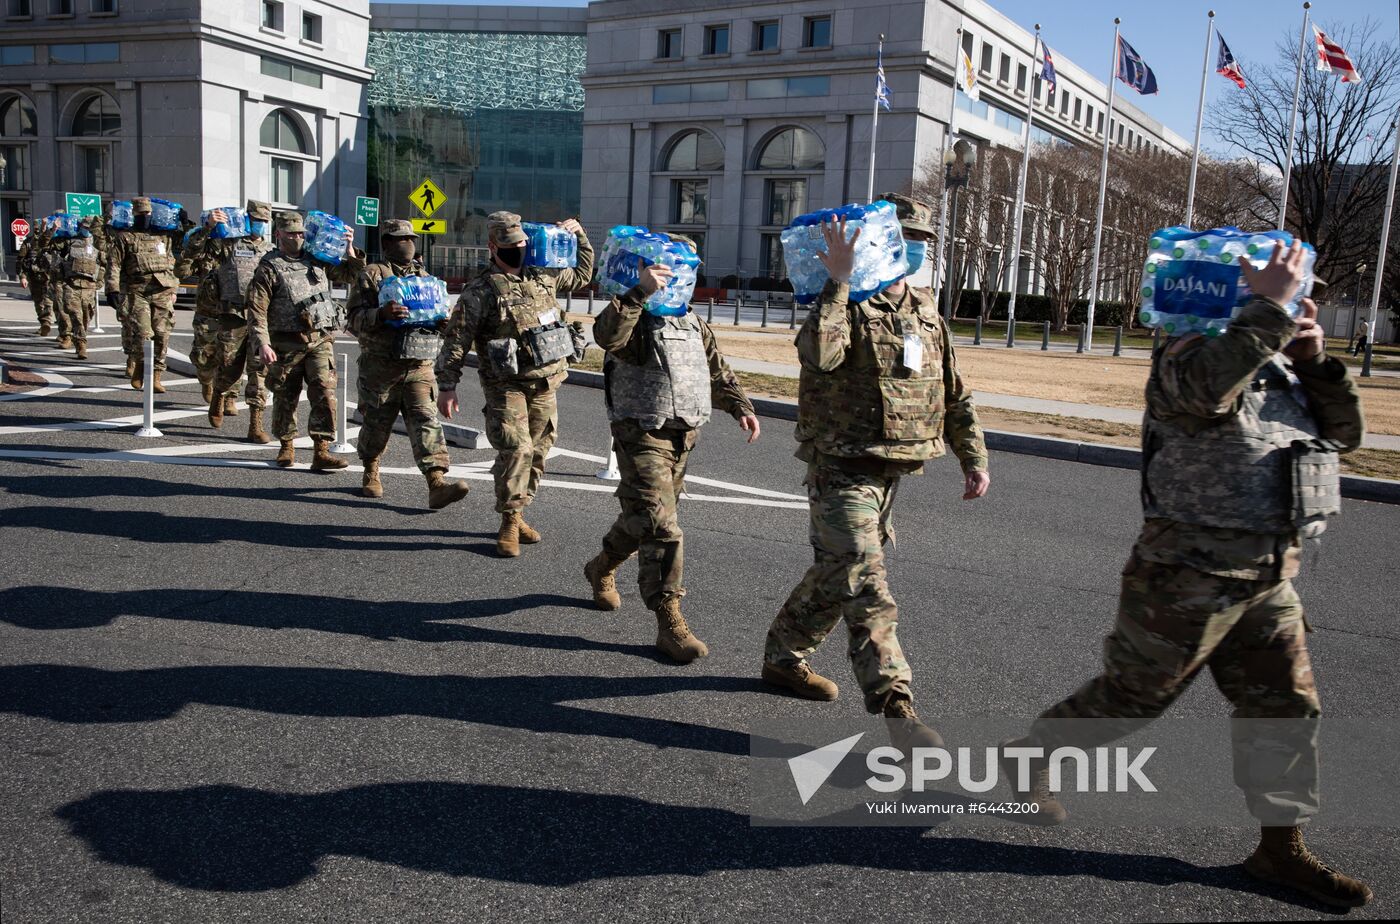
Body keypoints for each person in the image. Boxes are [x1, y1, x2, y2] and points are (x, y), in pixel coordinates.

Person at [1002, 241, 1370, 909]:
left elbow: (1344, 435)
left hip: (1266, 574)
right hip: (1186, 573)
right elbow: (1206, 390)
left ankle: (1279, 849)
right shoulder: (1184, 356)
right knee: (1134, 698)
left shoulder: (1277, 362)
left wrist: (1312, 358)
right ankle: (1032, 754)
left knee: (1285, 707)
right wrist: (1271, 309)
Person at [760, 193, 990, 754]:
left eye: (922, 241)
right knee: (864, 579)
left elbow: (952, 389)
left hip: (891, 471)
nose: (914, 249)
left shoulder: (925, 307)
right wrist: (839, 280)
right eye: (903, 238)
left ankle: (783, 656)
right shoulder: (845, 302)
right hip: (841, 469)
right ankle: (898, 710)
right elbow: (819, 355)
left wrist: (973, 454)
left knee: (838, 572)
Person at [583, 237, 760, 663]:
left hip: (683, 434)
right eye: (668, 268)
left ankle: (601, 566)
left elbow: (717, 369)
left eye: (684, 268)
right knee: (662, 526)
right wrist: (639, 291)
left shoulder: (693, 322)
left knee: (642, 517)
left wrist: (740, 405)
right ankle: (669, 621)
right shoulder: (634, 312)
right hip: (640, 431)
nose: (678, 276)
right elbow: (606, 336)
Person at [435, 211, 594, 557]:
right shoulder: (480, 290)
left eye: (521, 244)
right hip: (505, 385)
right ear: (493, 247)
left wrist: (580, 236)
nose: (516, 250)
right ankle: (509, 520)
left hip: (546, 381)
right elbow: (457, 339)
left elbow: (582, 273)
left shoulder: (544, 276)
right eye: (508, 245)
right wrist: (447, 384)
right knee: (516, 449)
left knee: (537, 453)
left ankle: (519, 509)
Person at [345, 219, 469, 509]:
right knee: (377, 424)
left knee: (426, 420)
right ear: (386, 243)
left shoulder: (425, 277)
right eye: (401, 239)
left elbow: (437, 315)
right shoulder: (371, 275)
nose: (408, 244)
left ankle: (436, 482)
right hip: (381, 367)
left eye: (411, 238)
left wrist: (442, 322)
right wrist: (381, 314)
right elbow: (352, 320)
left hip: (419, 365)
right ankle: (370, 469)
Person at [244, 211, 364, 470]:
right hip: (285, 343)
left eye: (300, 233)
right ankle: (286, 446)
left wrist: (349, 247)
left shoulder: (317, 258)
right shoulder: (269, 267)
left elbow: (351, 274)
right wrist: (262, 343)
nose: (297, 238)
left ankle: (321, 450)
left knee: (323, 391)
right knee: (286, 395)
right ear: (279, 235)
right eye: (291, 234)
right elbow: (256, 309)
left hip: (320, 339)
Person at [179, 202, 276, 442]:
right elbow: (193, 252)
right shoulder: (229, 244)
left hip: (261, 319)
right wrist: (208, 228)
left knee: (259, 371)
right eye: (256, 219)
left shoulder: (272, 250)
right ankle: (219, 394)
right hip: (232, 316)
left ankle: (256, 425)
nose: (260, 225)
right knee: (229, 365)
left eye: (265, 221)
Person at [105, 197, 184, 391]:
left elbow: (184, 242)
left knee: (162, 333)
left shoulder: (163, 236)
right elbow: (114, 264)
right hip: (136, 290)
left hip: (162, 289)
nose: (145, 217)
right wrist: (112, 289)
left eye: (148, 213)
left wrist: (184, 220)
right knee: (143, 333)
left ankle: (156, 375)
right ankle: (140, 363)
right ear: (134, 215)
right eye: (141, 214)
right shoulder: (125, 237)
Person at [50, 217, 104, 360]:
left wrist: (100, 281)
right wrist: (52, 230)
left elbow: (104, 263)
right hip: (71, 284)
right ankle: (81, 345)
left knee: (86, 317)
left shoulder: (98, 243)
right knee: (75, 314)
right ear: (80, 227)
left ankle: (79, 336)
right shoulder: (69, 242)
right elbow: (46, 245)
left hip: (89, 286)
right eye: (85, 227)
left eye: (89, 228)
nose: (87, 230)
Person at [17, 222, 55, 337]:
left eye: (41, 228)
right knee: (38, 302)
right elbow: (21, 260)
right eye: (36, 229)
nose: (38, 231)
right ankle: (44, 323)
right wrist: (22, 277)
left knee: (48, 300)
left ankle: (47, 321)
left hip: (48, 276)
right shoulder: (28, 243)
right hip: (33, 276)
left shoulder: (52, 241)